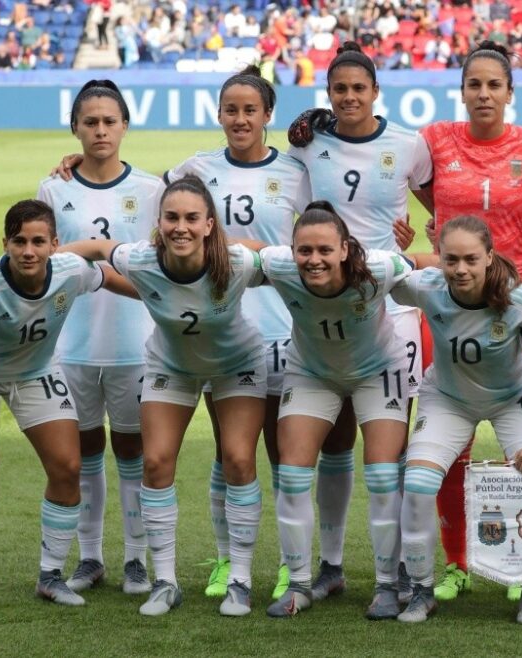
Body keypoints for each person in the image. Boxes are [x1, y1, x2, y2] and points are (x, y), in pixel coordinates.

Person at [61, 175, 269, 617]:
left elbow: (280, 259)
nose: (181, 227)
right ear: (158, 222)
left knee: (238, 459)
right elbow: (97, 248)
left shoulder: (235, 263)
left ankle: (240, 581)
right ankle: (165, 582)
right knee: (155, 462)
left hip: (237, 365)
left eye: (192, 218)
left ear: (210, 224)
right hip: (171, 366)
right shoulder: (141, 258)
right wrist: (47, 257)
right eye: (172, 217)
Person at [286, 41, 434, 605]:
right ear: (328, 96)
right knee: (334, 441)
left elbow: (434, 200)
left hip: (390, 304)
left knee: (385, 454)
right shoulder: (310, 144)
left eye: (358, 88)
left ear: (375, 92)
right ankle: (329, 567)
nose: (349, 98)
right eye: (340, 89)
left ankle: (391, 576)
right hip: (326, 302)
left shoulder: (406, 145)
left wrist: (417, 241)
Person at [0, 199, 136, 613]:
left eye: (38, 242)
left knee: (68, 467)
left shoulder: (71, 271)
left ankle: (50, 577)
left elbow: (107, 277)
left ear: (55, 244)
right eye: (20, 241)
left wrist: (160, 295)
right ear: (5, 243)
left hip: (35, 371)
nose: (29, 251)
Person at [418, 40, 522, 603]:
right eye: (473, 84)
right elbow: (388, 169)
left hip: (514, 308)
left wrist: (519, 254)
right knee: (448, 448)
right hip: (450, 308)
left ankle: (517, 562)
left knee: (519, 448)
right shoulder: (434, 140)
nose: (483, 93)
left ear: (509, 92)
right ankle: (454, 562)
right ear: (462, 91)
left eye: (493, 85)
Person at [162, 67, 310, 605]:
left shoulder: (296, 170)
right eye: (231, 109)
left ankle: (290, 566)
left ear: (268, 115)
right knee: (230, 454)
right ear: (219, 113)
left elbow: (325, 231)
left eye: (251, 110)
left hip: (282, 326)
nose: (240, 119)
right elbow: (150, 198)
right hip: (218, 329)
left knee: (280, 454)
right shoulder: (197, 168)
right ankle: (229, 560)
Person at [392, 216, 522, 625]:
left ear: (489, 256)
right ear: (440, 259)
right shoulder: (425, 287)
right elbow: (385, 274)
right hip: (448, 398)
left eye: (470, 259)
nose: (461, 269)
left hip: (512, 397)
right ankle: (419, 588)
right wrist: (399, 256)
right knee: (417, 484)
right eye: (451, 260)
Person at [260, 202, 422, 620]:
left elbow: (428, 262)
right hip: (312, 372)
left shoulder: (381, 268)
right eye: (304, 250)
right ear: (290, 250)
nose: (314, 260)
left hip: (377, 371)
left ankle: (389, 583)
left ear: (346, 249)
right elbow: (238, 252)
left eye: (325, 250)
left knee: (385, 475)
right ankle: (305, 580)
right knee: (293, 475)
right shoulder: (277, 265)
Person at [37, 80, 164, 598]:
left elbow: (163, 268)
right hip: (72, 344)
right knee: (86, 451)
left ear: (126, 125)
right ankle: (91, 557)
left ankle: (136, 559)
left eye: (110, 121)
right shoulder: (53, 189)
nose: (100, 130)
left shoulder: (154, 190)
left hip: (136, 342)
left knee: (132, 452)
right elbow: (39, 264)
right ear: (75, 128)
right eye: (90, 122)